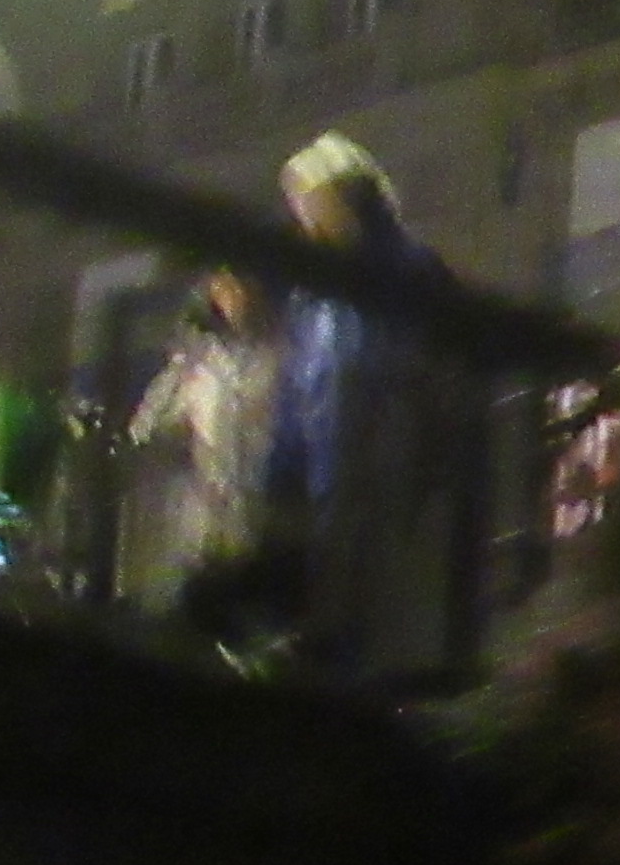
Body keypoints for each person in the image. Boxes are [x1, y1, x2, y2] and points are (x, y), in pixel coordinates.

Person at [271, 133, 482, 684]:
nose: (305, 220)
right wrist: (284, 470)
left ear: (347, 199)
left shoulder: (410, 272)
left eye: (311, 204)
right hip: (333, 473)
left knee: (388, 603)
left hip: (397, 470)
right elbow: (297, 387)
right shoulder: (313, 294)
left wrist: (430, 450)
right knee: (338, 590)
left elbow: (445, 375)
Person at [122, 267, 287, 637]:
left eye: (242, 286)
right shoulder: (200, 363)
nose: (236, 298)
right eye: (225, 288)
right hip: (203, 516)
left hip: (259, 519)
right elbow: (145, 429)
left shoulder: (279, 357)